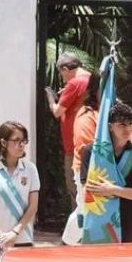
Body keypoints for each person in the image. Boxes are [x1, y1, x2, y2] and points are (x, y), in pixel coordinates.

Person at [80, 102, 132, 243]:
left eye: (130, 124)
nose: (128, 128)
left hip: (126, 223)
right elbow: (87, 191)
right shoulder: (92, 152)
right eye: (122, 124)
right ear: (110, 126)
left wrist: (112, 190)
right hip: (98, 224)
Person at [0, 121, 40, 257]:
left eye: (24, 140)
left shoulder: (30, 169)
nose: (22, 145)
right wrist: (0, 234)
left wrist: (14, 233)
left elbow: (33, 207)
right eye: (16, 140)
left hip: (23, 239)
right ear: (3, 143)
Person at [63, 70, 102, 245]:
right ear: (96, 89)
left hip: (112, 175)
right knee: (85, 211)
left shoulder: (113, 110)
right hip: (89, 172)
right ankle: (69, 243)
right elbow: (88, 149)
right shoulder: (87, 114)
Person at [46, 52, 91, 196]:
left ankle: (78, 218)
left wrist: (51, 98)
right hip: (90, 142)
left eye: (62, 74)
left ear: (65, 69)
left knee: (75, 188)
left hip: (74, 145)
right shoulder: (91, 80)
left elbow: (57, 112)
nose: (64, 79)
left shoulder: (74, 83)